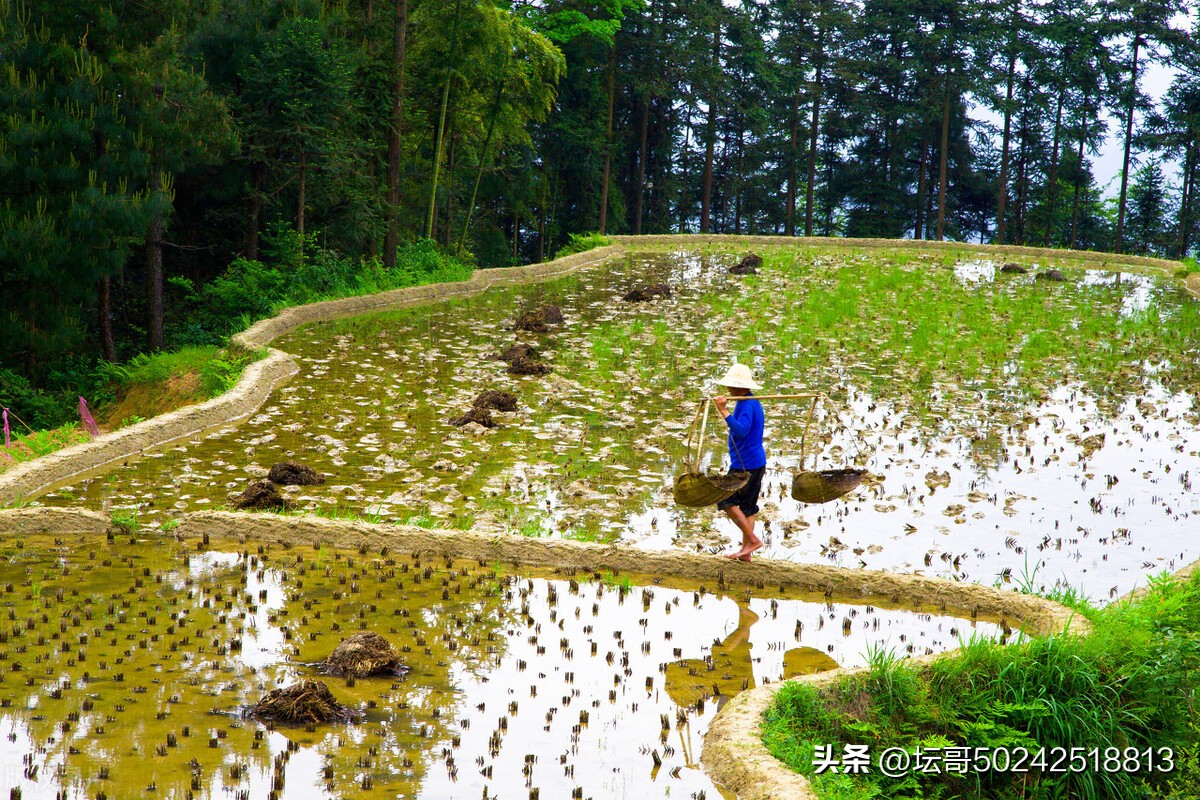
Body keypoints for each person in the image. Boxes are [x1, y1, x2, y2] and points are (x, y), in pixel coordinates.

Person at [712, 363, 766, 561]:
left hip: (745, 464)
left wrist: (723, 411)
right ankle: (746, 553)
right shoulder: (749, 401)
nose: (728, 388)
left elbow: (742, 430)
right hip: (756, 461)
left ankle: (752, 540)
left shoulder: (747, 405)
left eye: (730, 385)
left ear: (739, 386)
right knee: (747, 507)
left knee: (725, 499)